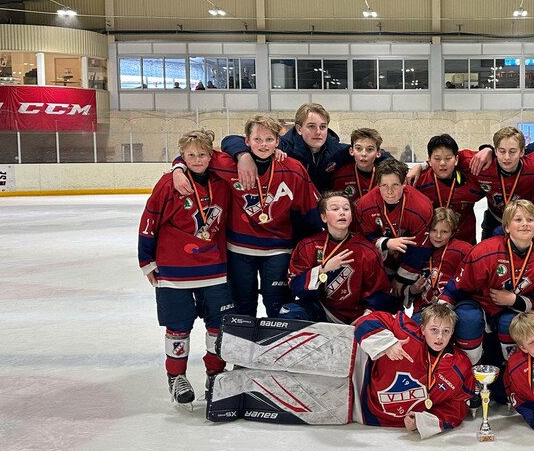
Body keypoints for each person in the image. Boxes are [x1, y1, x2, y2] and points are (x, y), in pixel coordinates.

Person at [174, 115, 320, 318]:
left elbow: (311, 210)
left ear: (278, 142)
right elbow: (196, 156)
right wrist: (178, 168)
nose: (263, 144)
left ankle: (277, 340)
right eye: (257, 139)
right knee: (243, 306)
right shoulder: (229, 164)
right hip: (239, 249)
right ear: (247, 141)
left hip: (278, 248)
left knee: (277, 305)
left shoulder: (293, 169)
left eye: (269, 139)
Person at [137, 129, 233, 405]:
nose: (197, 159)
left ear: (211, 155)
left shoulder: (221, 181)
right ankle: (176, 376)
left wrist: (179, 165)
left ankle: (215, 373)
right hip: (174, 270)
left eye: (203, 154)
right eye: (190, 155)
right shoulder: (169, 184)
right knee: (178, 327)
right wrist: (146, 260)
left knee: (218, 326)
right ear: (182, 156)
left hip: (214, 269)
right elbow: (149, 221)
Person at [438, 198, 534, 366]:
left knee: (511, 323)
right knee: (468, 318)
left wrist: (515, 300)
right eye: (518, 219)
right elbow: (456, 288)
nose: (525, 224)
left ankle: (512, 370)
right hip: (478, 304)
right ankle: (470, 370)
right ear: (506, 227)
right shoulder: (485, 251)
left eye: (530, 220)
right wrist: (439, 314)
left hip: (511, 310)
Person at [354, 303, 475, 433]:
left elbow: (456, 408)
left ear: (452, 333)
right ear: (422, 329)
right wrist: (387, 343)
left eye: (446, 331)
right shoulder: (405, 334)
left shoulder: (460, 366)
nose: (440, 336)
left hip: (398, 428)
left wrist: (422, 422)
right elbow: (364, 322)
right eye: (434, 330)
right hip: (359, 401)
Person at [282, 191, 392, 323]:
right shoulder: (308, 246)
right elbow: (296, 286)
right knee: (289, 312)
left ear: (351, 216)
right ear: (324, 217)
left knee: (377, 321)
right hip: (321, 309)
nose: (342, 213)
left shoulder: (367, 250)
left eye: (346, 209)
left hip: (356, 315)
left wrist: (366, 316)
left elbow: (380, 291)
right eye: (335, 209)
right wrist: (322, 270)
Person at [220, 103, 364, 195]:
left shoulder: (336, 150)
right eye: (311, 126)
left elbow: (365, 151)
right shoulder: (283, 146)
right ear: (299, 129)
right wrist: (243, 156)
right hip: (292, 210)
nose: (318, 132)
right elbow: (230, 140)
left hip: (323, 209)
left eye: (322, 127)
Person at [354, 158, 434, 286]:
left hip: (412, 260)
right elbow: (363, 240)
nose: (389, 192)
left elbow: (421, 246)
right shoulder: (365, 205)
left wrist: (401, 279)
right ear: (378, 184)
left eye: (395, 185)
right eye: (384, 185)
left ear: (404, 183)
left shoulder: (421, 207)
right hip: (381, 261)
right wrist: (386, 243)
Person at [412, 133, 487, 243]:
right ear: (429, 160)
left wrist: (489, 149)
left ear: (456, 159)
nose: (442, 163)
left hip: (464, 244)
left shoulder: (472, 181)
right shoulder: (418, 181)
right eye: (437, 158)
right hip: (429, 244)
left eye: (448, 158)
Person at [404, 207, 471, 315]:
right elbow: (403, 287)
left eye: (444, 232)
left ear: (453, 232)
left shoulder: (462, 250)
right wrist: (412, 290)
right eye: (434, 230)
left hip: (454, 307)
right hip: (424, 310)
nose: (438, 236)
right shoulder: (418, 251)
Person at [328, 128, 384, 207]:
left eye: (369, 149)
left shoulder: (384, 176)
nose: (363, 154)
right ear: (351, 151)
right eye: (358, 149)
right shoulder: (339, 176)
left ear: (378, 153)